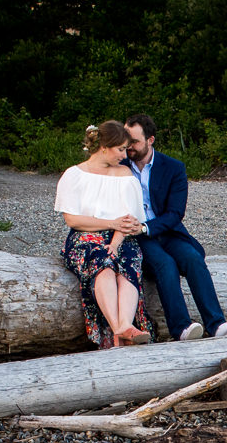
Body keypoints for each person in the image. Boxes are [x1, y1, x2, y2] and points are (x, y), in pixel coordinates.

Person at [124, 113, 227, 341]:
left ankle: (217, 324)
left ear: (151, 140)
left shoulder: (173, 167)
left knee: (192, 257)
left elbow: (175, 213)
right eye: (126, 141)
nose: (129, 147)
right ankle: (181, 329)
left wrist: (146, 227)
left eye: (134, 142)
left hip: (165, 231)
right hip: (134, 236)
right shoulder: (119, 166)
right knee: (165, 264)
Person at [54, 120, 153, 348]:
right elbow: (73, 220)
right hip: (84, 236)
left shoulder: (124, 174)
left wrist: (116, 242)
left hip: (120, 235)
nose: (124, 154)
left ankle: (125, 325)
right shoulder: (74, 175)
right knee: (103, 262)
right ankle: (119, 328)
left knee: (128, 260)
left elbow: (129, 219)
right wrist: (110, 223)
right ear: (104, 147)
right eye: (120, 149)